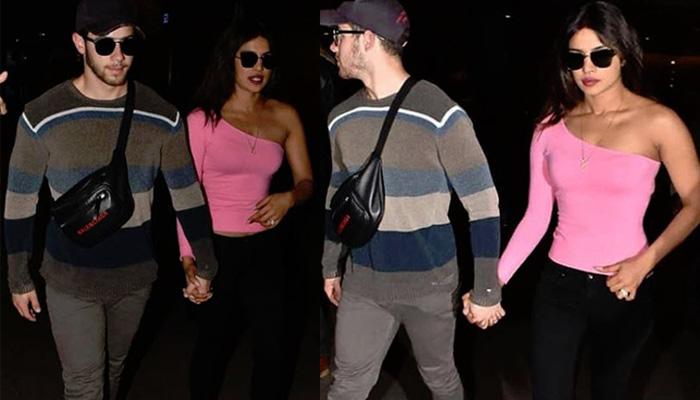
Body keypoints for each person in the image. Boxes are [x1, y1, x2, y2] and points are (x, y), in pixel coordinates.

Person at [4, 1, 217, 399]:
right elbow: (19, 203)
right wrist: (18, 277)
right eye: (105, 45)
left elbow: (186, 194)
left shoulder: (162, 115)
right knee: (85, 385)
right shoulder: (41, 116)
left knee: (114, 370)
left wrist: (205, 262)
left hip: (135, 276)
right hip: (69, 277)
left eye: (128, 44)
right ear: (78, 44)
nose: (118, 57)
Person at [493, 2, 700, 400]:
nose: (587, 68)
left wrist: (646, 261)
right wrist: (494, 281)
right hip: (559, 286)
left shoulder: (660, 122)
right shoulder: (549, 127)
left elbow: (694, 202)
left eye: (600, 56)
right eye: (577, 58)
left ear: (622, 55)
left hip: (625, 285)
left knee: (610, 391)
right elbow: (536, 217)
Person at [320, 1, 504, 398]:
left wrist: (487, 290)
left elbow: (483, 204)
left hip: (430, 283)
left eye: (339, 35)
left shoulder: (439, 113)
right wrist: (330, 264)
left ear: (367, 39)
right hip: (363, 282)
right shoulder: (340, 117)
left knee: (440, 378)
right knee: (347, 384)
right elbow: (337, 197)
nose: (333, 45)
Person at [176, 16, 313, 400]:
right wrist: (189, 261)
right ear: (229, 61)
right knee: (212, 348)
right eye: (249, 58)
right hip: (216, 248)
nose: (258, 68)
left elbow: (306, 181)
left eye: (267, 60)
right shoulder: (202, 120)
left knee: (273, 349)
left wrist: (289, 197)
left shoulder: (284, 115)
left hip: (267, 249)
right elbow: (186, 197)